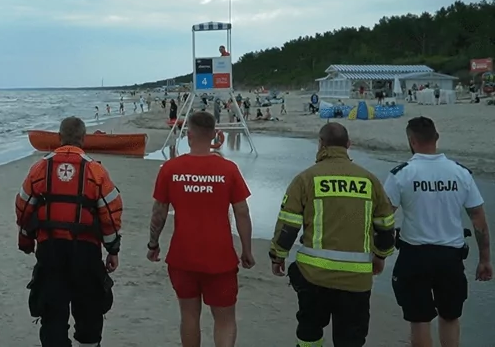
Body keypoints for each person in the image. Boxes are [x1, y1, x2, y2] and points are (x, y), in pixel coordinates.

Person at [269, 122, 396, 347]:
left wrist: (278, 256)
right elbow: (386, 226)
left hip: (313, 276)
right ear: (348, 145)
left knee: (309, 333)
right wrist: (380, 256)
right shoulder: (370, 180)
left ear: (320, 144)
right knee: (350, 339)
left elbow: (288, 226)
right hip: (356, 280)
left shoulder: (306, 179)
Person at [147, 111, 254, 347]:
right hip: (221, 257)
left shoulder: (170, 169)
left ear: (189, 135)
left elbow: (159, 212)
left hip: (183, 256)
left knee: (189, 316)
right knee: (225, 319)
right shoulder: (229, 169)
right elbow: (242, 212)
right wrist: (247, 249)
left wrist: (153, 244)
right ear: (215, 134)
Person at [382, 117, 492, 347]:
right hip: (450, 256)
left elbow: (383, 218)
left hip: (414, 256)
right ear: (437, 138)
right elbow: (478, 218)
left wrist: (378, 254)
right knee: (450, 316)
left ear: (411, 140)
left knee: (419, 319)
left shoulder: (401, 174)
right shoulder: (460, 173)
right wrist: (484, 259)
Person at [15, 116, 123, 347]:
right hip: (85, 253)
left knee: (53, 314)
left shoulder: (40, 168)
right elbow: (111, 214)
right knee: (89, 313)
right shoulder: (96, 171)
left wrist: (25, 240)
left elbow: (23, 207)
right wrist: (112, 249)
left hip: (50, 251)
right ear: (83, 139)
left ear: (59, 138)